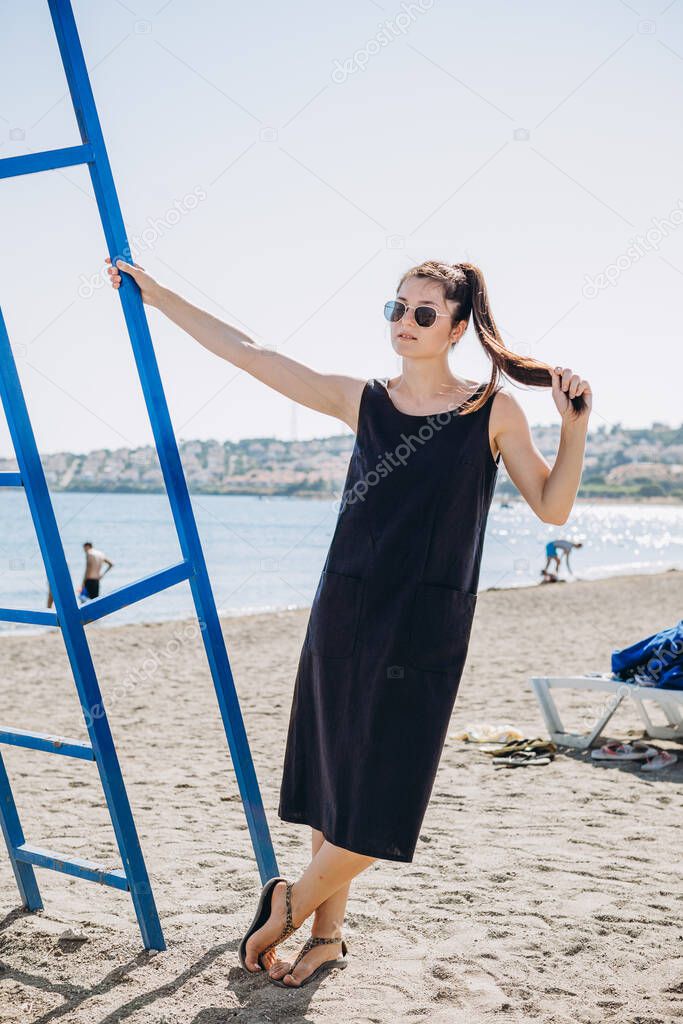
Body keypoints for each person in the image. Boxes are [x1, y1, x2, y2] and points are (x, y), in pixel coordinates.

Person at [106, 255, 591, 987]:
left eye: (423, 313)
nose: (404, 322)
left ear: (457, 326)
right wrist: (161, 294)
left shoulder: (490, 411)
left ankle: (288, 902)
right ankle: (325, 937)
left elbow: (552, 507)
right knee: (334, 784)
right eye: (395, 308)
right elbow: (251, 355)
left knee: (387, 797)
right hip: (345, 609)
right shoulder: (361, 400)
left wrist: (573, 428)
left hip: (427, 623)